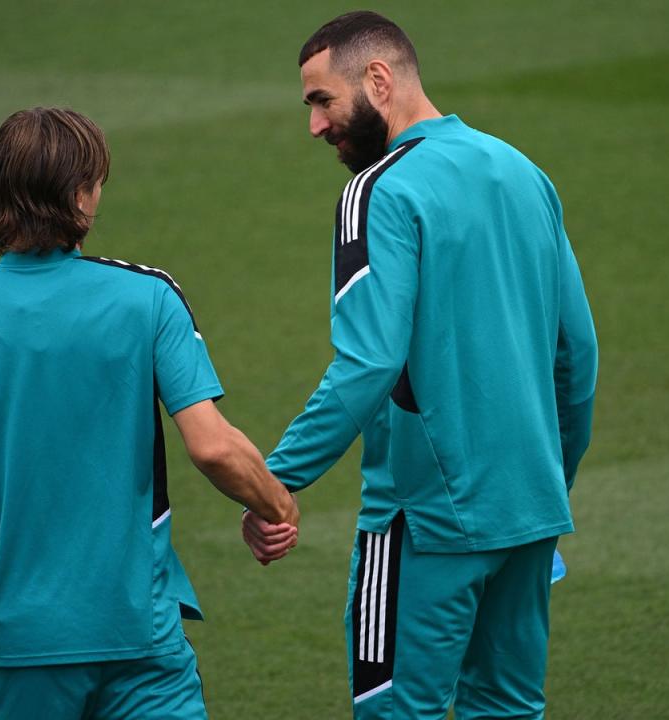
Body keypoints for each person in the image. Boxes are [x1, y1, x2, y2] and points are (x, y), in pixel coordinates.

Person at [0, 107, 298, 719]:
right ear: (78, 195)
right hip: (142, 645)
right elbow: (214, 447)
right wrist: (276, 505)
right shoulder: (148, 298)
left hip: (12, 648)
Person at [242, 11, 597, 720]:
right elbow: (577, 359)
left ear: (378, 78)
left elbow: (369, 362)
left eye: (321, 100)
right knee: (508, 709)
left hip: (424, 520)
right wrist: (546, 485)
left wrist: (272, 479)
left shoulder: (379, 189)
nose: (315, 125)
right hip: (528, 513)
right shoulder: (523, 172)